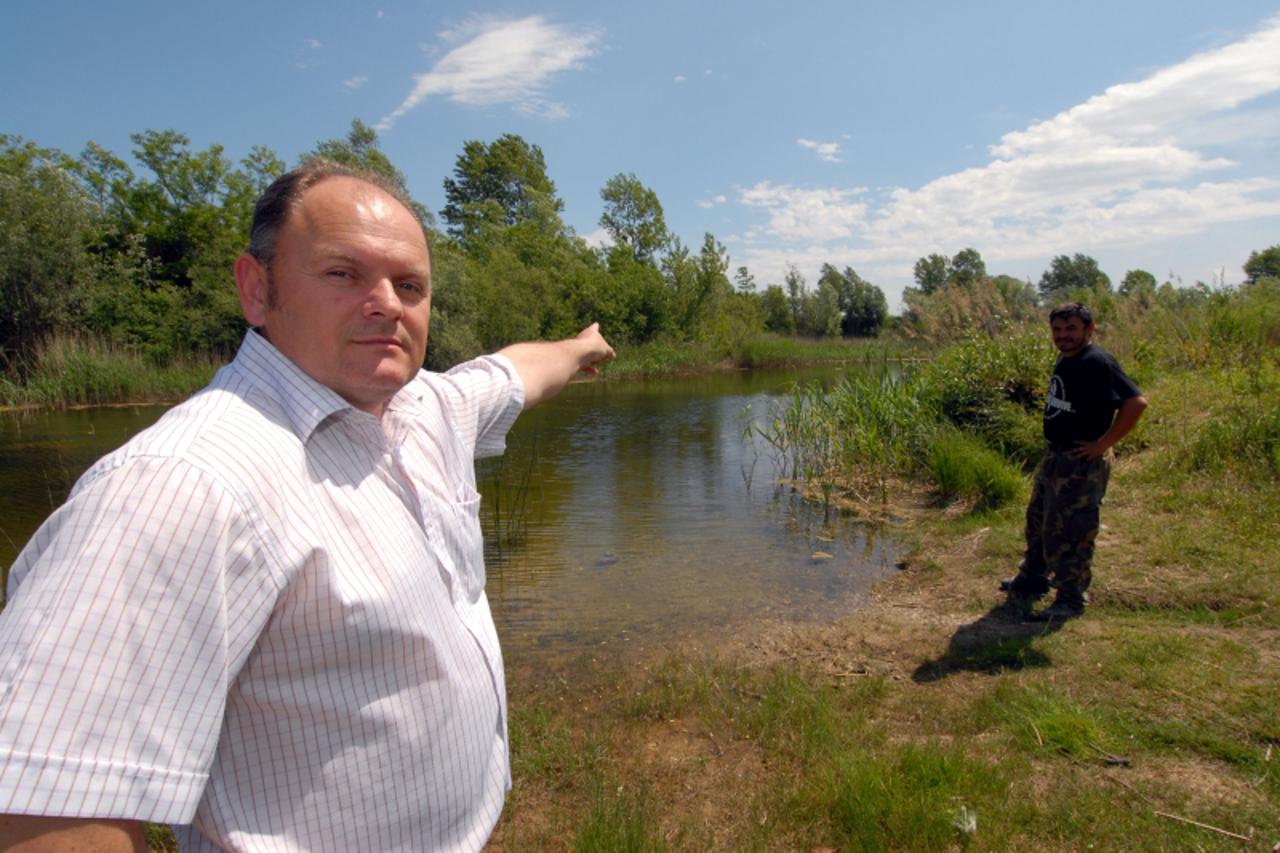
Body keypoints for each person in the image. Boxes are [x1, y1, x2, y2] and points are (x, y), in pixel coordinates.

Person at [0, 161, 615, 851]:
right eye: (343, 274)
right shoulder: (183, 483)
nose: (386, 302)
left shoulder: (424, 409)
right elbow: (41, 812)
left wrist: (579, 347)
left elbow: (513, 372)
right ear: (257, 290)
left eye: (409, 284)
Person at [1002, 302, 1147, 620]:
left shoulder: (1097, 362)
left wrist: (1103, 444)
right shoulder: (1067, 358)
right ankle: (1032, 580)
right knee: (1040, 520)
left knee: (1072, 529)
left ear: (1089, 329)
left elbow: (1135, 403)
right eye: (1057, 329)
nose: (1063, 335)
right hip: (1057, 456)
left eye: (1071, 329)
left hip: (1080, 463)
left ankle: (1071, 597)